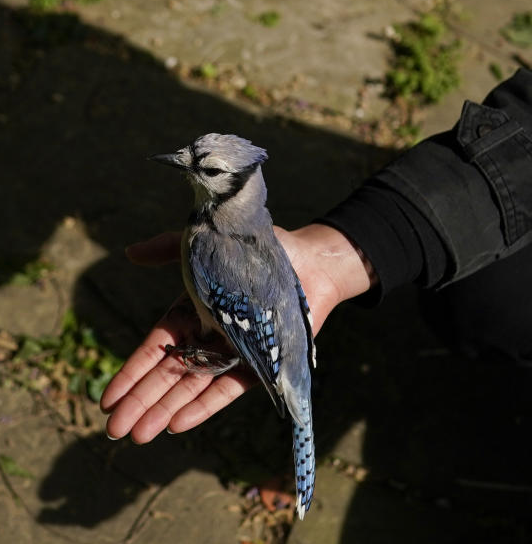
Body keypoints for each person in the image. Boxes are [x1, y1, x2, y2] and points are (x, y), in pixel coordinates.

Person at [101, 67, 532, 444]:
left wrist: (216, 356)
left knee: (483, 311)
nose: (183, 163)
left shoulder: (208, 247)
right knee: (474, 308)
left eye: (208, 169)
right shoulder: (220, 234)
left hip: (266, 347)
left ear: (241, 185)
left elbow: (255, 340)